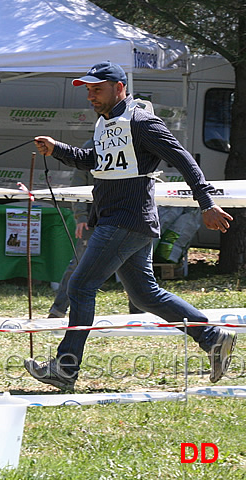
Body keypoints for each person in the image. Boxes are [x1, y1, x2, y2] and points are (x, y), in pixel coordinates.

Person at [27, 61, 236, 391]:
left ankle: (65, 368)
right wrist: (58, 149)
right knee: (145, 295)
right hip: (123, 220)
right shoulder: (107, 123)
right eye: (88, 90)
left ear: (119, 87)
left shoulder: (141, 121)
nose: (91, 96)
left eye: (97, 89)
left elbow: (184, 159)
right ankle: (212, 337)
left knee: (80, 286)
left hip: (125, 219)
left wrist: (206, 201)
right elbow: (94, 161)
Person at [48, 167, 93, 318]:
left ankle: (139, 314)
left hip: (125, 219)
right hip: (93, 222)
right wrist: (81, 216)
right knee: (78, 265)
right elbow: (79, 187)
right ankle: (58, 310)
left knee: (133, 267)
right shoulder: (90, 146)